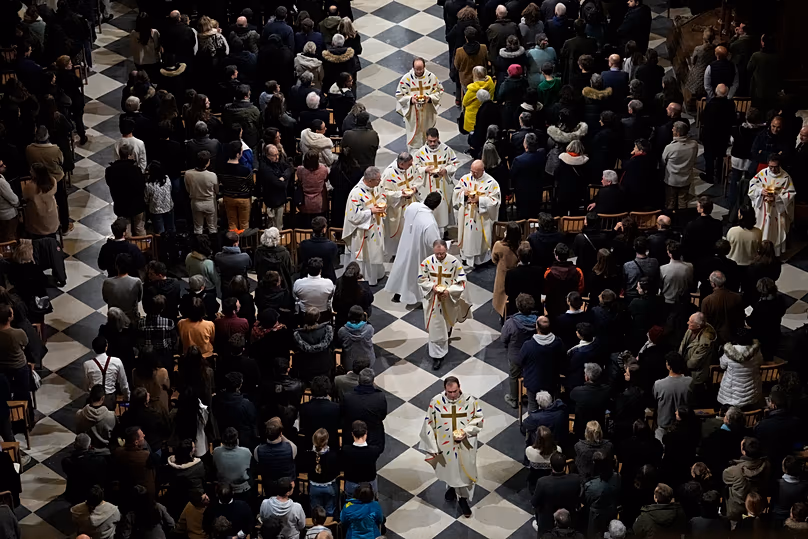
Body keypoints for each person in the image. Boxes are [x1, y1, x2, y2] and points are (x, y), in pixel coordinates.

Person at [419, 376, 483, 518]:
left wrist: (465, 432)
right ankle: (455, 491)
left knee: (463, 471)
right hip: (445, 445)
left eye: (455, 391)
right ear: (445, 389)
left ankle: (462, 498)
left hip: (465, 444)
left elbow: (478, 418)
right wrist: (432, 446)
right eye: (449, 392)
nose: (453, 395)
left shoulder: (470, 401)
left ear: (459, 387)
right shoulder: (436, 402)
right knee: (449, 469)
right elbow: (428, 423)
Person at [417, 239, 473, 370]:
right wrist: (432, 287)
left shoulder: (454, 262)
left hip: (448, 298)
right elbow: (421, 278)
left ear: (446, 250)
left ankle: (447, 333)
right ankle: (437, 356)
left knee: (447, 323)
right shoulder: (427, 262)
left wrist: (449, 291)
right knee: (436, 327)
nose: (440, 256)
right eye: (437, 254)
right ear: (433, 250)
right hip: (434, 300)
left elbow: (461, 281)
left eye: (442, 253)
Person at [342, 167, 386, 286]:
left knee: (375, 251)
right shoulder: (355, 194)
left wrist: (381, 205)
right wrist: (370, 211)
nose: (380, 181)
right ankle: (363, 277)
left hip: (375, 226)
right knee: (366, 254)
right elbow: (353, 216)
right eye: (378, 179)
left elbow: (381, 196)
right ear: (370, 180)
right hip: (362, 231)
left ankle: (376, 275)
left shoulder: (374, 187)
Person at [453, 160, 501, 268]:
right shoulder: (465, 178)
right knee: (467, 237)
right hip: (466, 214)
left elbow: (495, 201)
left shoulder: (491, 183)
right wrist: (463, 195)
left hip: (480, 216)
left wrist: (480, 200)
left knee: (478, 239)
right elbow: (456, 192)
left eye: (475, 172)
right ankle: (466, 258)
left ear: (482, 171)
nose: (472, 174)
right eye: (471, 171)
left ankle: (481, 260)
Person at [413, 129, 459, 233]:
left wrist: (446, 170)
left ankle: (444, 230)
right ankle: (429, 229)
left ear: (438, 138)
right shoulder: (420, 152)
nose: (432, 143)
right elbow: (414, 167)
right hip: (428, 185)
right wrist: (425, 169)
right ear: (426, 139)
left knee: (443, 208)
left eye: (434, 141)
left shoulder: (447, 150)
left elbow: (455, 163)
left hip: (443, 184)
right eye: (430, 141)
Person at [748, 154, 795, 256]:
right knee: (761, 229)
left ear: (779, 165)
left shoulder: (786, 177)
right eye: (771, 167)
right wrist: (760, 191)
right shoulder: (763, 173)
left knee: (775, 232)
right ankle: (760, 250)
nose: (773, 169)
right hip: (763, 208)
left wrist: (777, 198)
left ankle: (775, 253)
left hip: (777, 210)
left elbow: (790, 194)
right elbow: (752, 186)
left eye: (775, 167)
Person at [396, 58, 445, 153]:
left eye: (421, 69)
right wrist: (411, 99)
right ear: (413, 68)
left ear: (424, 67)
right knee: (414, 137)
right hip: (413, 113)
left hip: (427, 111)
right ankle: (414, 155)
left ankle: (429, 149)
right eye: (416, 69)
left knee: (428, 131)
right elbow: (399, 94)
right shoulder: (406, 79)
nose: (419, 71)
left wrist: (430, 98)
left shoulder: (431, 77)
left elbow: (439, 91)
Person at [501, 294, 538, 407]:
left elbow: (504, 338)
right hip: (532, 355)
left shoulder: (511, 323)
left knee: (514, 376)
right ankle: (531, 395)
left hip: (516, 355)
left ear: (518, 306)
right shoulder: (537, 321)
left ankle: (514, 398)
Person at [723, 437, 771, 522]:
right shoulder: (766, 465)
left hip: (737, 513)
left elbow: (725, 478)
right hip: (758, 509)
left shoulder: (733, 471)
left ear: (744, 452)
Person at [341, 368, 387, 449]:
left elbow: (343, 414)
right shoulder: (380, 397)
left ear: (358, 381)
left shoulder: (348, 397)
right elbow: (382, 416)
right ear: (373, 381)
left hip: (352, 434)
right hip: (373, 436)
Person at [653, 352, 692, 440]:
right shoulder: (690, 382)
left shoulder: (659, 384)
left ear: (668, 366)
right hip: (684, 425)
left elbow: (655, 400)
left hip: (664, 426)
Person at [662, 121, 699, 211]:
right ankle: (681, 221)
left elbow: (663, 161)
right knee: (683, 203)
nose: (672, 130)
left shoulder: (670, 148)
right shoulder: (694, 145)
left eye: (673, 129)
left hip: (672, 180)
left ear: (677, 133)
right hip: (686, 179)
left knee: (671, 202)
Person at [101, 253, 143, 326]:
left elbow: (106, 299)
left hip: (114, 321)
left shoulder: (107, 282)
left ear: (116, 266)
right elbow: (139, 299)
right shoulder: (137, 281)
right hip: (132, 320)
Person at [75, 384, 117, 450]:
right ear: (102, 398)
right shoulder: (111, 416)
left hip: (86, 451)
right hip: (105, 451)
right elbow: (113, 436)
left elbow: (79, 433)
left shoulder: (79, 414)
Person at [659, 241, 693, 305]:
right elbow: (690, 283)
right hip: (684, 302)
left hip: (668, 301)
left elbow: (661, 285)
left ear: (669, 254)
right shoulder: (689, 266)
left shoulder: (662, 269)